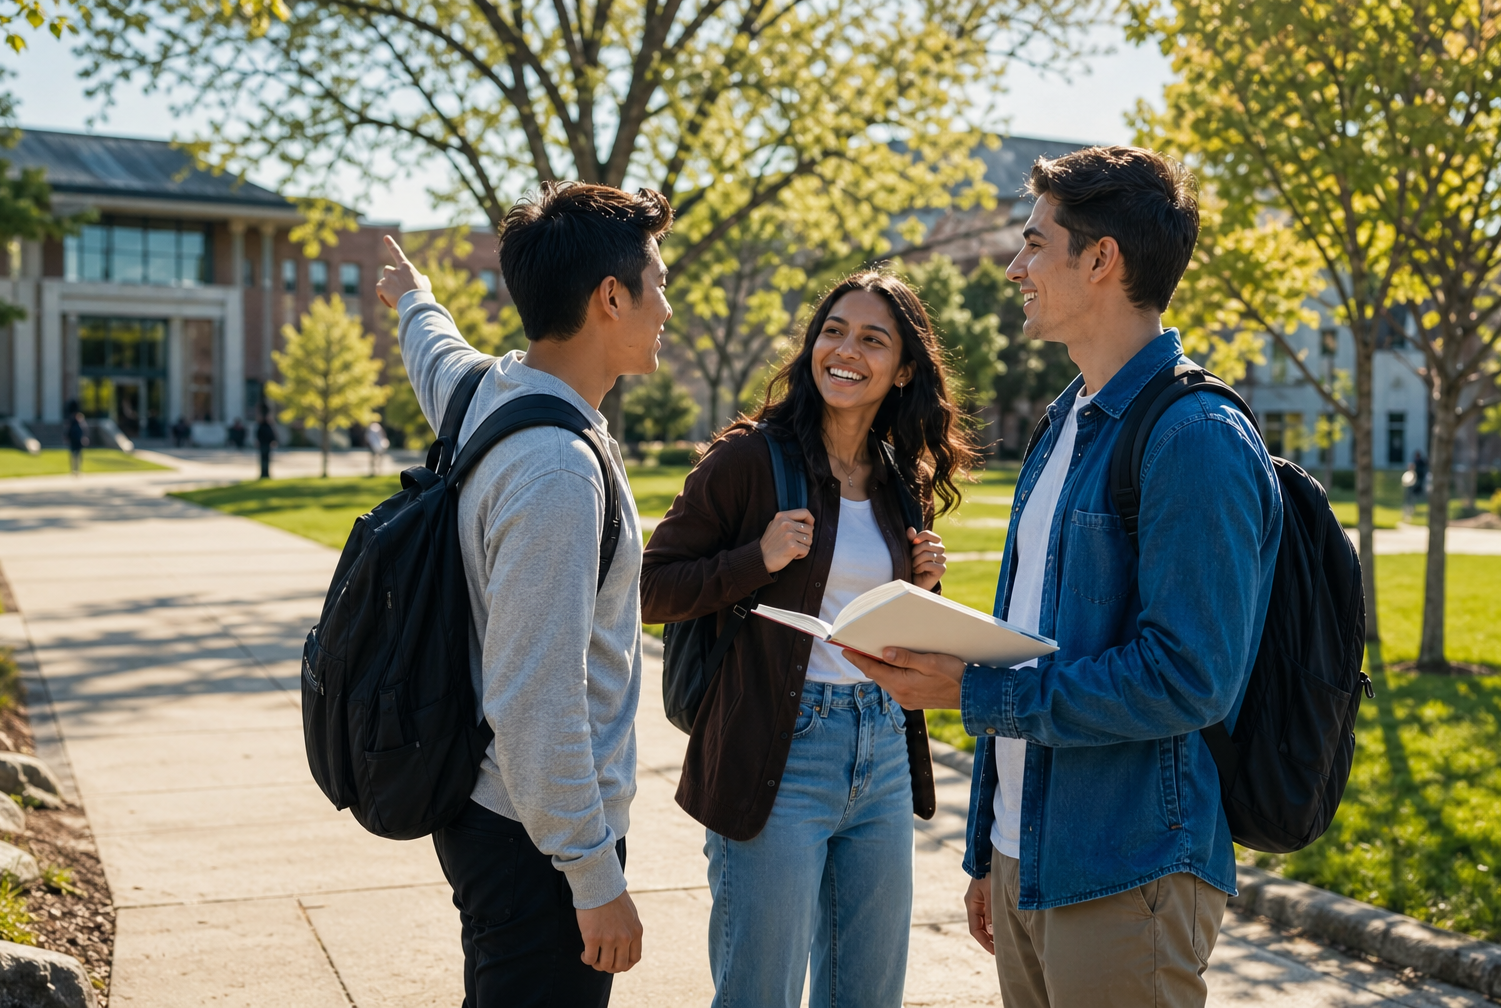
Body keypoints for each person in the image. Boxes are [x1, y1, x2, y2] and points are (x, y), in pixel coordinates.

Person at [845, 146, 1283, 1008]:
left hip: (1128, 873)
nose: (1014, 268)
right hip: (1026, 862)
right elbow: (1032, 636)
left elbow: (1188, 676)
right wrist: (987, 853)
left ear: (1102, 259)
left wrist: (970, 693)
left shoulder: (1196, 438)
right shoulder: (1066, 423)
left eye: (1035, 243)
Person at [376, 181, 671, 1007]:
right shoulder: (557, 474)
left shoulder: (485, 395)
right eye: (660, 282)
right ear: (612, 297)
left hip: (491, 809)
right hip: (532, 837)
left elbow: (435, 354)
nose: (669, 306)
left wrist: (415, 299)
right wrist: (591, 875)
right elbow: (536, 695)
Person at [641, 271, 969, 1007]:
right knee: (761, 992)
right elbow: (650, 587)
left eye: (872, 339)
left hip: (881, 748)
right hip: (777, 748)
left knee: (867, 994)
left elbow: (875, 621)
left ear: (904, 368)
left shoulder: (896, 480)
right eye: (833, 331)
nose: (845, 350)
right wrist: (755, 559)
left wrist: (924, 588)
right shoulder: (749, 459)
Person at [254, 409, 278, 480]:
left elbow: (272, 435)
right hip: (263, 444)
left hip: (267, 444)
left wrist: (273, 441)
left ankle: (266, 474)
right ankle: (263, 474)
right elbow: (258, 435)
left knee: (266, 460)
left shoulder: (268, 426)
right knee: (263, 460)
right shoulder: (262, 426)